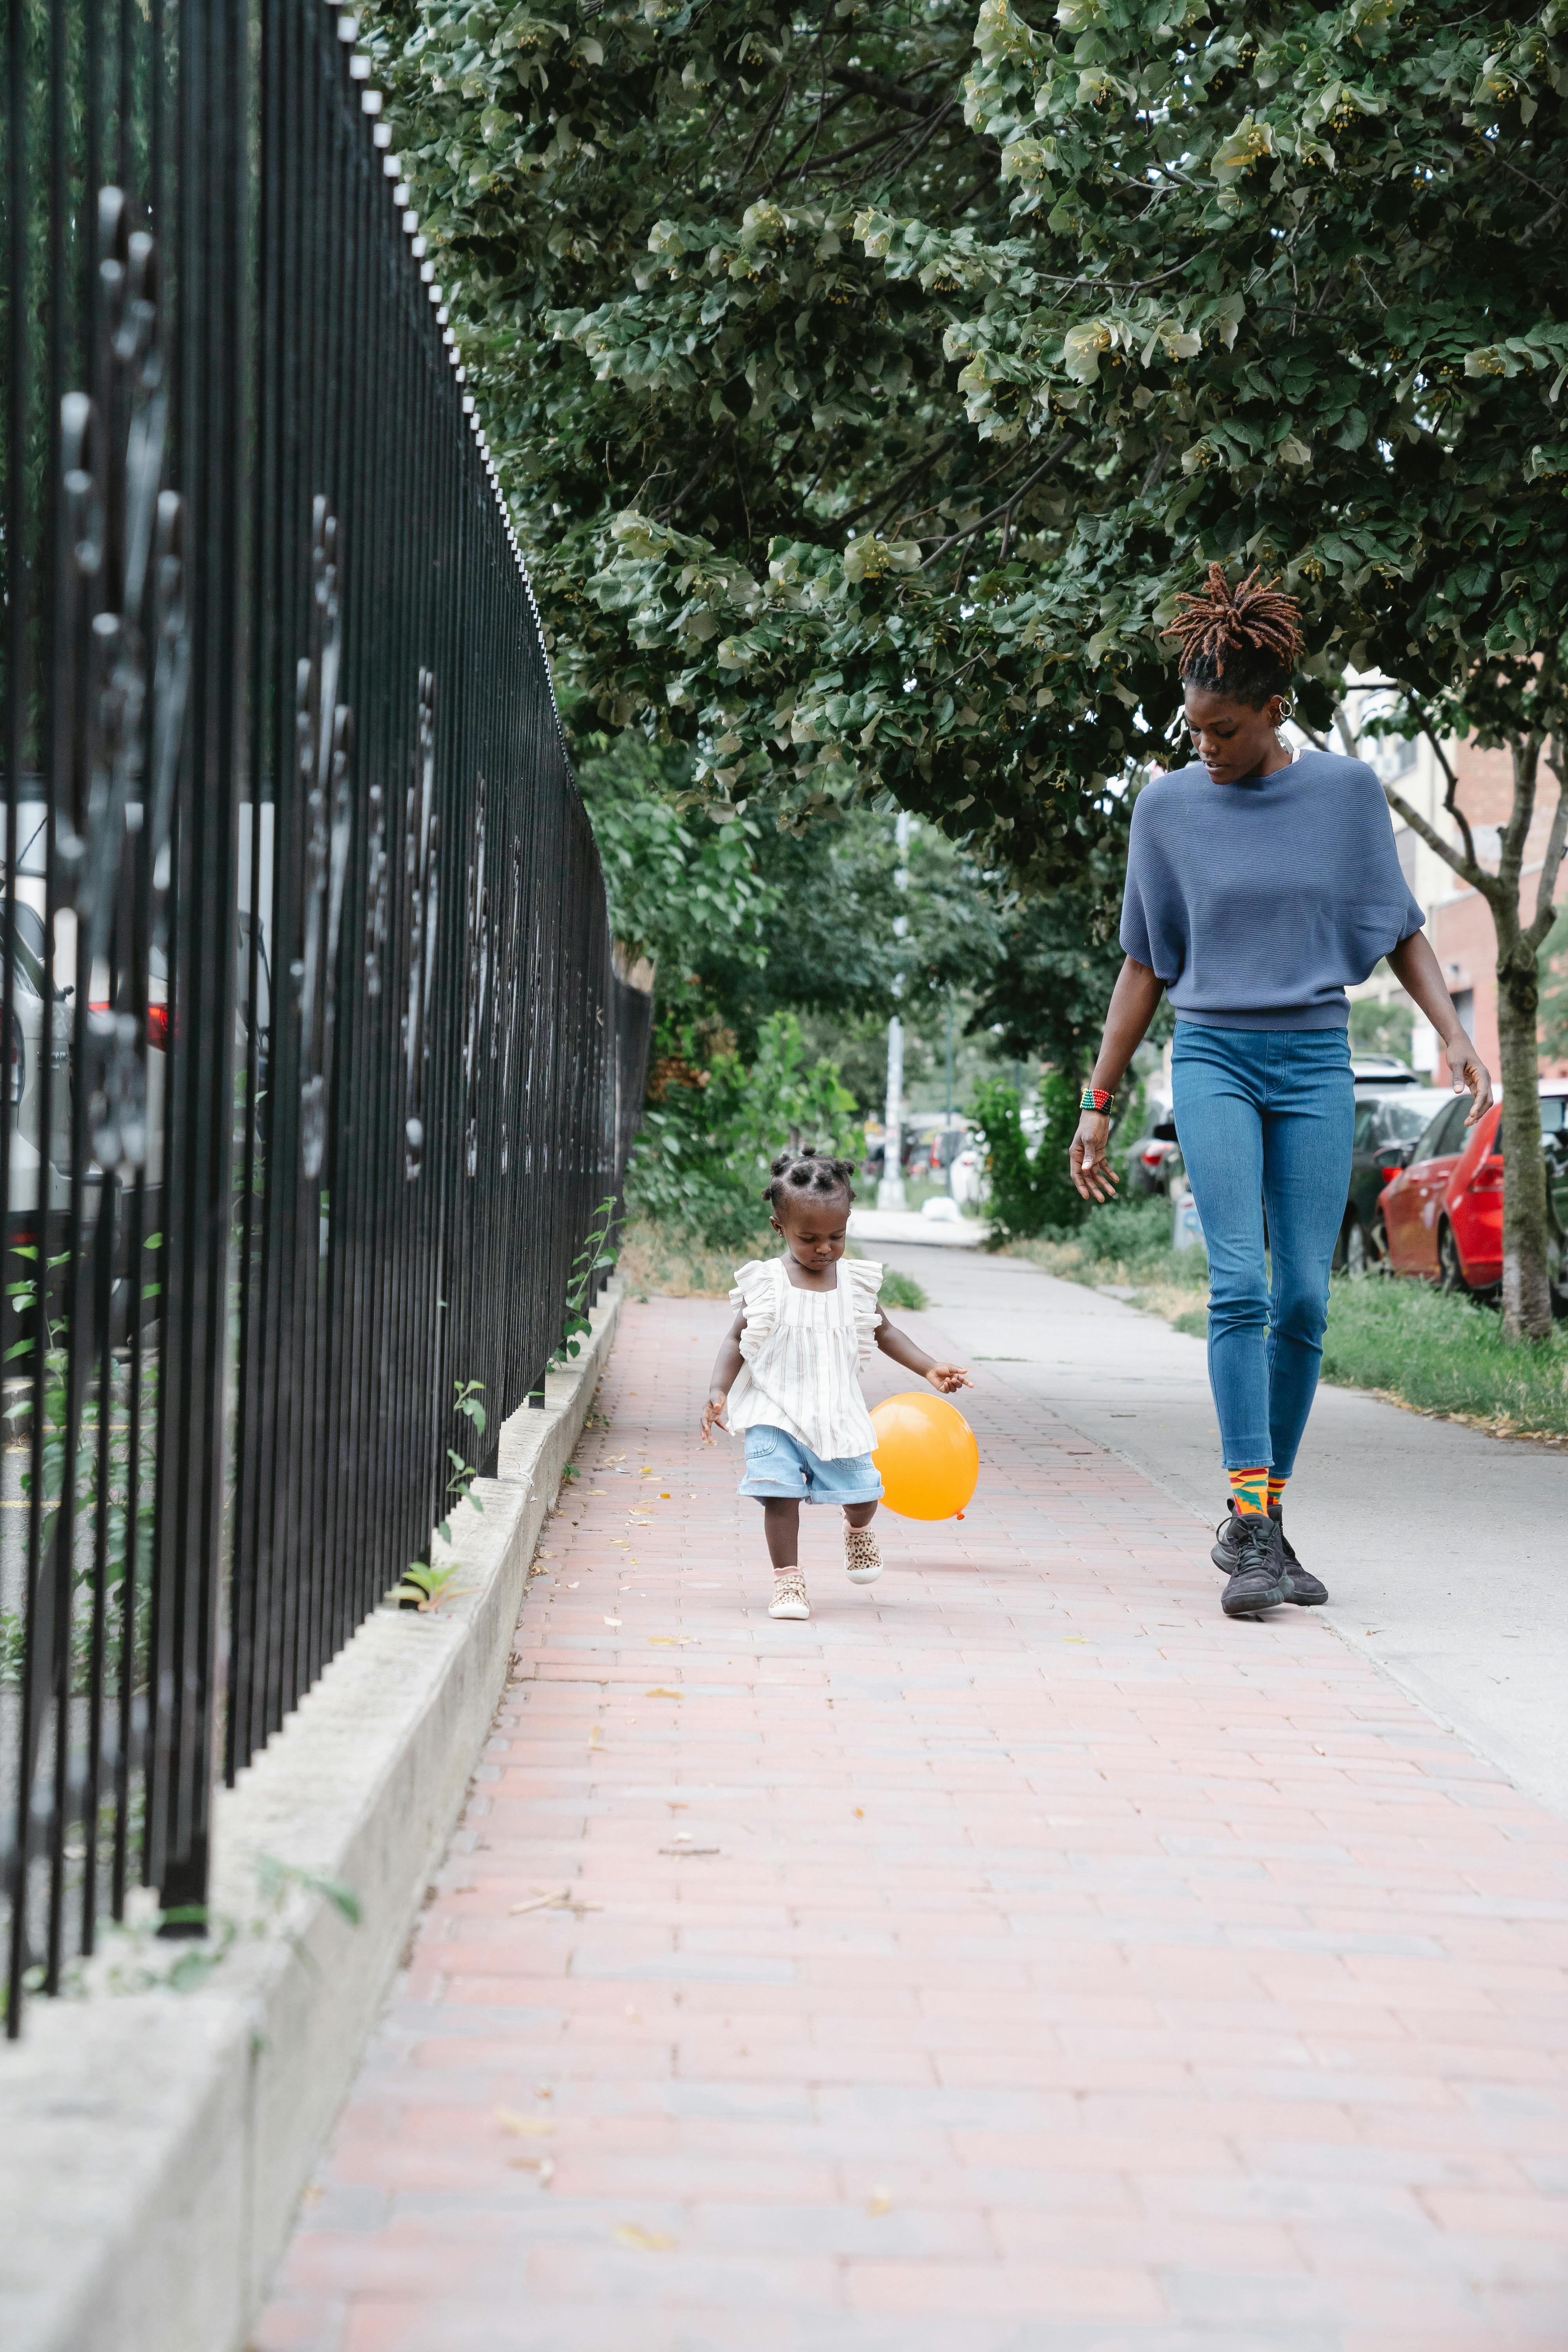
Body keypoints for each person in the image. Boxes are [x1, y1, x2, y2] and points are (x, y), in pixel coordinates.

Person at [1069, 564, 1491, 1619]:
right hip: (1212, 1053)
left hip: (1313, 1061)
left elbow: (1399, 927)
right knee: (1240, 1288)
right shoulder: (1166, 810)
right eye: (1193, 729)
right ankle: (1249, 1524)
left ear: (1273, 710)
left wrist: (1453, 1033)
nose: (1203, 748)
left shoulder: (1346, 795)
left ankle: (1269, 1517)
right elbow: (1144, 963)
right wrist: (1099, 1097)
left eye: (1223, 731)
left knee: (1305, 1299)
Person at [699, 1149, 971, 1620]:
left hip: (837, 1410)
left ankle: (857, 1530)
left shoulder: (854, 1284)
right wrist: (718, 1390)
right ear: (778, 1228)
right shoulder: (767, 1283)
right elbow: (734, 1340)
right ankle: (788, 1583)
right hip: (773, 1410)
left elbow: (885, 1332)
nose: (824, 1248)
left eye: (837, 1236)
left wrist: (928, 1367)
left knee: (866, 1492)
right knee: (779, 1495)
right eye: (808, 1239)